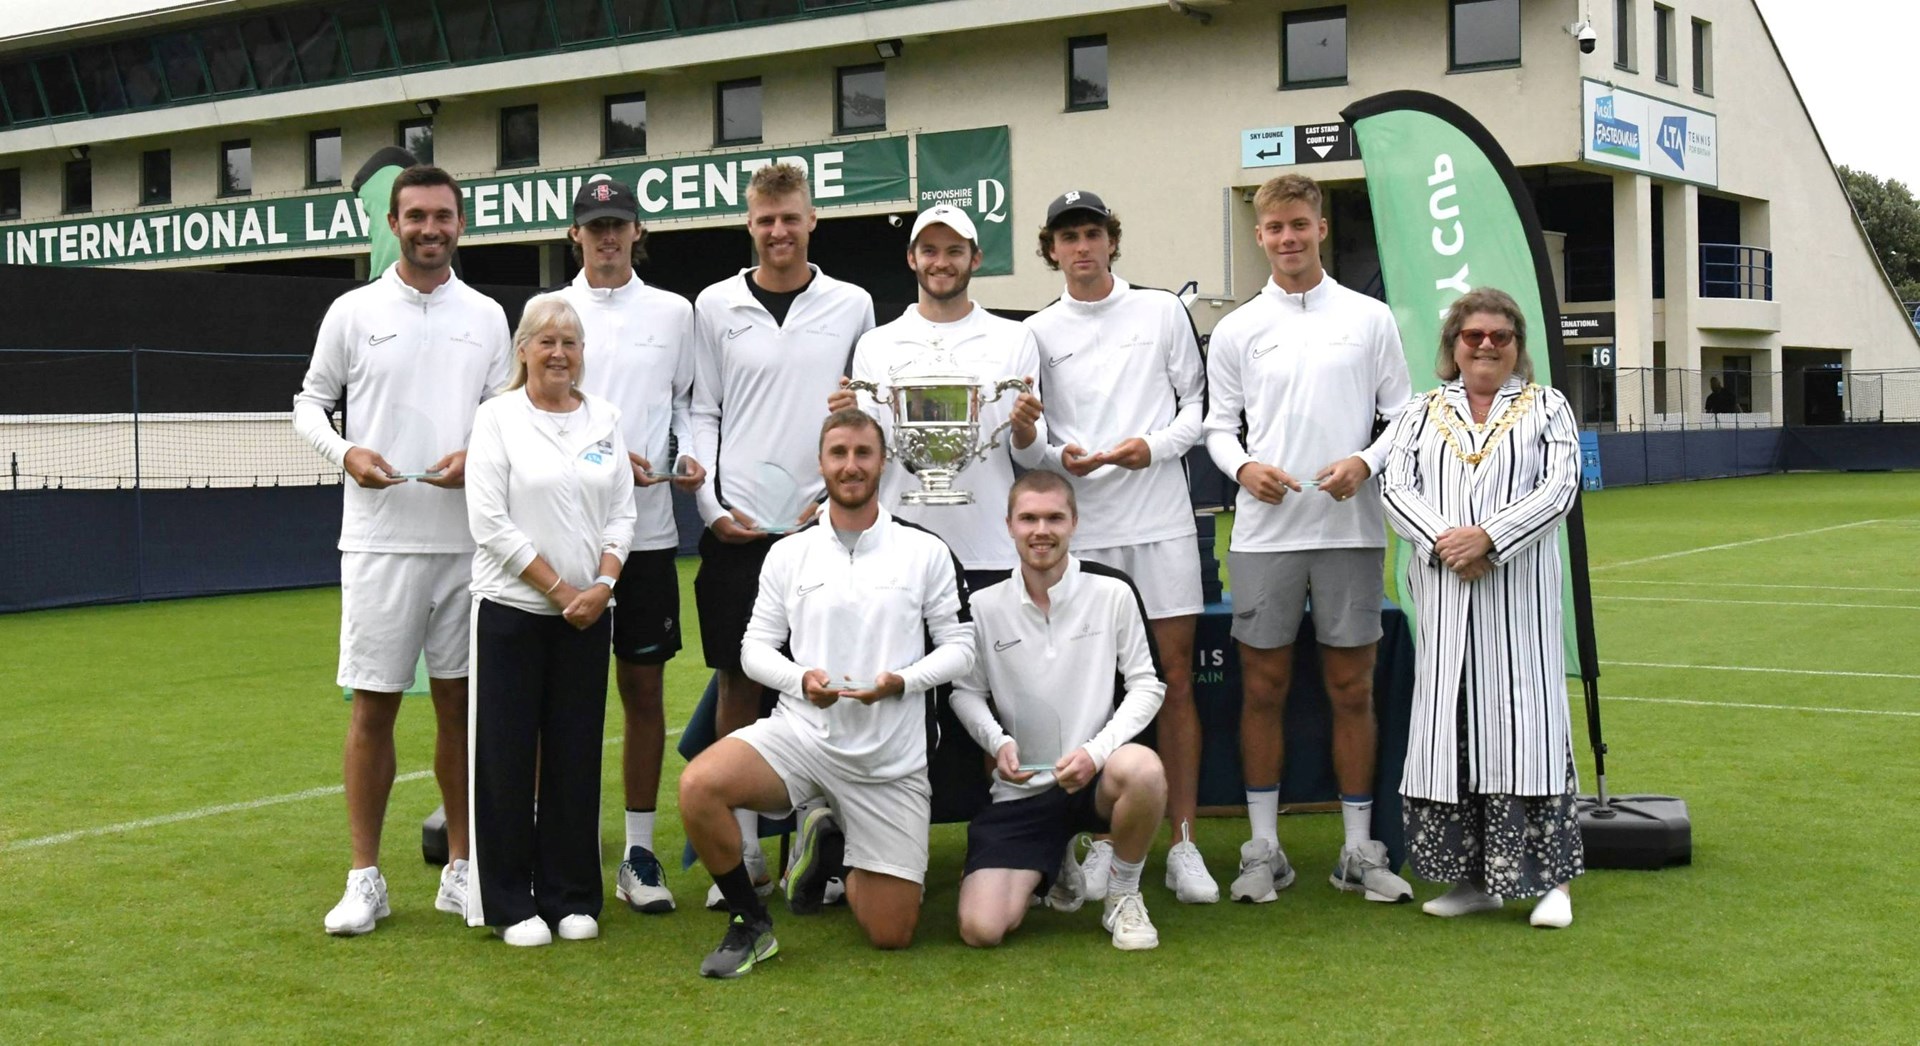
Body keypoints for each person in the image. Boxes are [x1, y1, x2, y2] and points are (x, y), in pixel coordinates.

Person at [292, 165, 511, 936]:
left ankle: (461, 869)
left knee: (460, 708)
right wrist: (346, 453)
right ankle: (364, 878)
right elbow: (308, 404)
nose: (430, 228)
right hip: (378, 544)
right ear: (393, 221)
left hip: (466, 545)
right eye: (415, 215)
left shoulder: (487, 316)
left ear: (461, 222)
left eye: (443, 216)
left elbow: (501, 412)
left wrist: (473, 453)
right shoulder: (351, 311)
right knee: (374, 706)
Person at [678, 409, 974, 978]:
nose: (851, 465)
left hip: (889, 762)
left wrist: (902, 682)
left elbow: (961, 648)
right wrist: (800, 680)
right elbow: (754, 650)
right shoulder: (789, 553)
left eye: (863, 453)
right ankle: (749, 922)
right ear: (821, 464)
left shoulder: (925, 550)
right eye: (838, 454)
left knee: (891, 934)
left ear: (882, 462)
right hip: (802, 736)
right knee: (699, 788)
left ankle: (831, 843)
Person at [1200, 173, 1415, 906]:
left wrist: (1365, 462)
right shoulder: (1236, 330)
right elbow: (1217, 429)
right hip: (1264, 536)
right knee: (1263, 689)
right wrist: (1245, 468)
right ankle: (1264, 849)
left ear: (1321, 227)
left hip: (1352, 535)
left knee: (1352, 689)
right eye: (1274, 229)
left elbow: (1403, 417)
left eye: (1300, 224)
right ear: (1259, 237)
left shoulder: (1370, 318)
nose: (1288, 238)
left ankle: (1359, 849)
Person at [688, 162, 876, 906]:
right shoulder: (714, 304)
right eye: (765, 220)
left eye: (790, 217)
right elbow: (704, 411)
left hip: (826, 530)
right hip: (740, 531)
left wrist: (835, 505)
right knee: (739, 684)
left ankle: (825, 843)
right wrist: (711, 507)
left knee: (831, 681)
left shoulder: (853, 304)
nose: (778, 232)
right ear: (749, 225)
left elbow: (867, 414)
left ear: (812, 221)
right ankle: (742, 853)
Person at [1023, 190, 1215, 904]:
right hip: (1087, 531)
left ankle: (1185, 842)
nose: (1082, 246)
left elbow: (1196, 410)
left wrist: (1151, 448)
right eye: (1068, 236)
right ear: (1052, 249)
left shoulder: (1163, 310)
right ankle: (1101, 840)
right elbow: (1032, 434)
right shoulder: (1037, 331)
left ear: (1111, 241)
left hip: (1161, 522)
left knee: (1175, 680)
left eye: (1093, 233)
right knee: (1097, 691)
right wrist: (1055, 455)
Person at [1379, 287, 1585, 929]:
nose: (1487, 345)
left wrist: (1490, 538)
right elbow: (1394, 485)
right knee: (1453, 735)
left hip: (1515, 602)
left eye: (1500, 336)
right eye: (1474, 336)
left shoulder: (1547, 406)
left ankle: (1551, 885)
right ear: (1453, 346)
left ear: (1518, 346)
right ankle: (1473, 883)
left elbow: (1561, 486)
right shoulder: (1420, 411)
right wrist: (1448, 542)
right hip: (1444, 599)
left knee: (1527, 735)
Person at [551, 175, 705, 915]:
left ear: (638, 232)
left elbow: (687, 406)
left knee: (643, 690)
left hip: (647, 539)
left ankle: (639, 852)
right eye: (594, 225)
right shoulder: (550, 313)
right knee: (565, 696)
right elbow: (534, 410)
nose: (607, 236)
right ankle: (563, 840)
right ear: (573, 235)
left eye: (619, 224)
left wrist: (682, 461)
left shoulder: (675, 313)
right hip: (567, 537)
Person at [463, 296, 637, 946]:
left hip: (590, 618)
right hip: (512, 613)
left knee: (575, 756)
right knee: (506, 759)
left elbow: (622, 514)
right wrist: (561, 589)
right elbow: (488, 524)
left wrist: (602, 585)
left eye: (570, 341)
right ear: (524, 350)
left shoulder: (605, 420)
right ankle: (510, 903)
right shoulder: (497, 418)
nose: (559, 352)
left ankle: (570, 896)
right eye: (546, 341)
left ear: (582, 353)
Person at [951, 471, 1169, 951]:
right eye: (1028, 518)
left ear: (1074, 523)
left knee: (1144, 771)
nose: (1041, 530)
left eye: (1054, 517)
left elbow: (1147, 687)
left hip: (1093, 778)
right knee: (981, 930)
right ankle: (1056, 862)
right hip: (1022, 790)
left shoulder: (1112, 593)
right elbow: (964, 693)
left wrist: (1095, 752)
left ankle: (1122, 896)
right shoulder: (983, 606)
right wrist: (998, 741)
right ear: (1009, 524)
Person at [830, 202, 1047, 594]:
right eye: (929, 250)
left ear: (975, 258)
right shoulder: (875, 345)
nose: (940, 262)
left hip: (992, 551)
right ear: (912, 258)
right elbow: (870, 456)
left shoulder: (1015, 338)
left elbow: (1031, 458)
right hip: (898, 552)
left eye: (954, 251)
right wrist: (848, 423)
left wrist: (1026, 429)